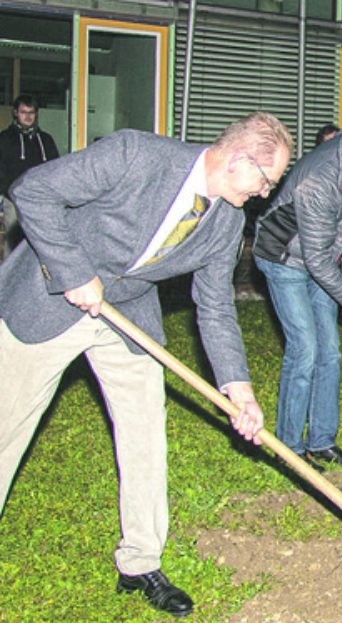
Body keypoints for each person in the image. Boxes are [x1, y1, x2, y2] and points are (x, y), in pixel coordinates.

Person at [0, 112, 292, 616]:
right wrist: (73, 270)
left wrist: (238, 387)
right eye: (266, 181)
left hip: (127, 315)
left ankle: (140, 562)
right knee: (6, 429)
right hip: (50, 297)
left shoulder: (226, 219)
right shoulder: (135, 154)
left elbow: (216, 305)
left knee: (145, 432)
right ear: (240, 161)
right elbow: (33, 190)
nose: (266, 194)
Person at [252, 128, 342, 469]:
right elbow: (316, 259)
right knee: (305, 348)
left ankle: (321, 441)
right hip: (283, 256)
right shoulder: (319, 180)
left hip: (322, 258)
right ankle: (288, 449)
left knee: (329, 353)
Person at [0, 95, 59, 258]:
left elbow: (55, 169)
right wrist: (11, 192)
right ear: (15, 113)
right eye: (23, 112)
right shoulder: (4, 139)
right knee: (14, 245)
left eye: (31, 112)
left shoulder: (46, 140)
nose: (27, 116)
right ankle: (10, 281)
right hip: (14, 201)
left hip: (42, 202)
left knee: (41, 243)